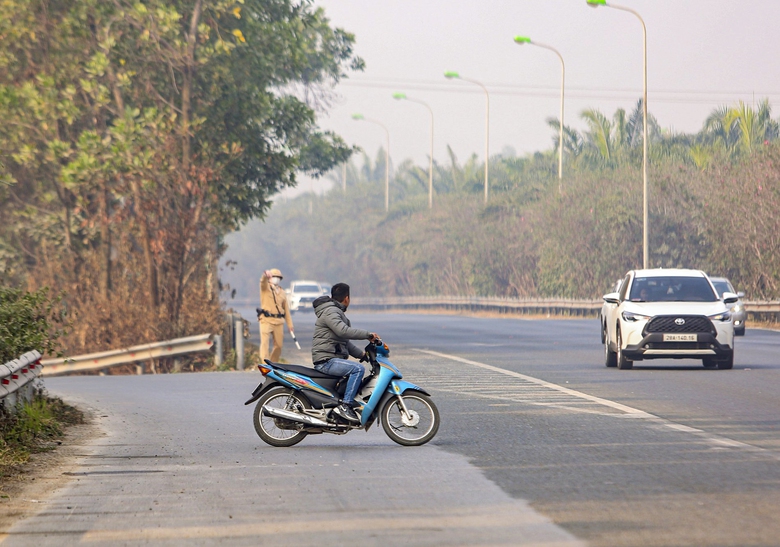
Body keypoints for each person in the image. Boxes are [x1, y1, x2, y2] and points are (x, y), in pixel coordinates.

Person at [311, 283, 378, 424]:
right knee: (357, 369)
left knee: (356, 368)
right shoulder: (331, 312)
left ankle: (343, 403)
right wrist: (368, 335)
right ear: (347, 298)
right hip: (326, 361)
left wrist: (363, 355)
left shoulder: (333, 312)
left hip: (330, 358)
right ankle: (346, 406)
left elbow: (345, 343)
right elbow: (343, 331)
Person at [259, 269, 295, 363]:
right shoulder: (266, 288)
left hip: (278, 321)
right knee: (265, 344)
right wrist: (265, 276)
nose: (276, 279)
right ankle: (265, 364)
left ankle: (273, 363)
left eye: (278, 277)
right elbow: (262, 282)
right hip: (266, 320)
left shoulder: (282, 292)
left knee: (279, 345)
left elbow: (286, 310)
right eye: (274, 277)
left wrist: (290, 325)